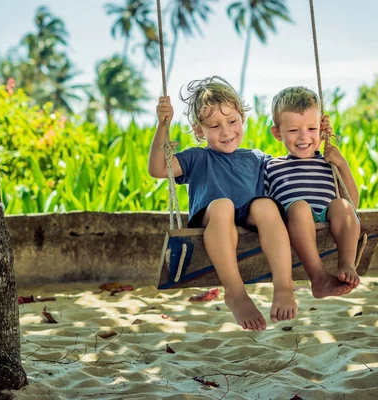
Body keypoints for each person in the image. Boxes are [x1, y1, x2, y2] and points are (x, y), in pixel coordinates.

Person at [148, 76, 297, 331]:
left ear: (243, 119)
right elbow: (158, 168)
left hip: (248, 218)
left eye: (231, 121)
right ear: (199, 131)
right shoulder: (197, 157)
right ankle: (235, 292)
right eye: (214, 126)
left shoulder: (256, 158)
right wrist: (163, 125)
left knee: (266, 205)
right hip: (213, 217)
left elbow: (291, 169)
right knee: (223, 205)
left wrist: (317, 140)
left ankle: (283, 285)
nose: (226, 131)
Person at [265, 86, 361, 298]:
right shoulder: (271, 166)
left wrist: (342, 164)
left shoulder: (328, 162)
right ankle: (318, 276)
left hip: (327, 219)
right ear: (277, 133)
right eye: (293, 130)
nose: (303, 137)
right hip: (294, 224)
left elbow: (352, 205)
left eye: (312, 129)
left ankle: (346, 263)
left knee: (341, 205)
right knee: (299, 208)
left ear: (322, 129)